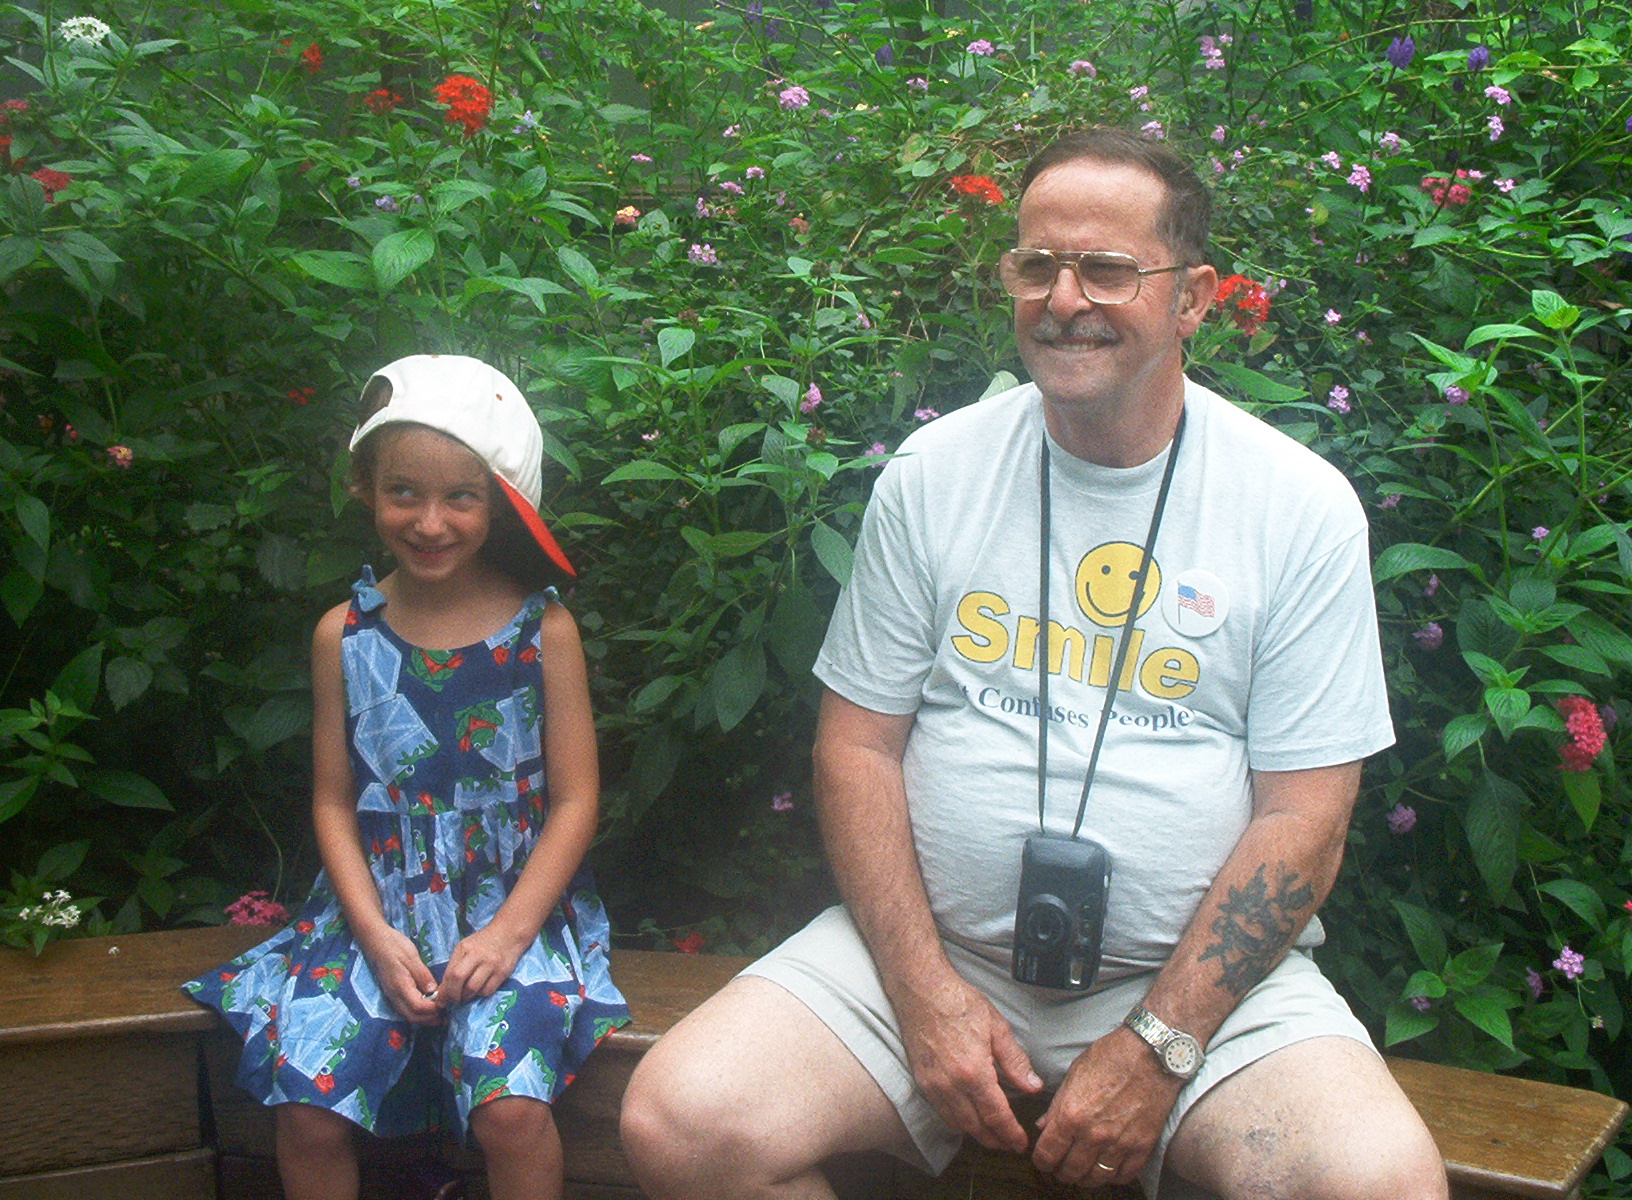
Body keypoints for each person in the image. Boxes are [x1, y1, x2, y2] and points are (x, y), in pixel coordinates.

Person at [620, 129, 1448, 1200]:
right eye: (1036, 264)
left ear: (1194, 298)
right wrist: (924, 995)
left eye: (1106, 269)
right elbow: (857, 747)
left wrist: (1161, 1043)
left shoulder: (1295, 508)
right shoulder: (935, 472)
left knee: (1380, 1187)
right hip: (934, 957)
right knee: (681, 1123)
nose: (1063, 299)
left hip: (1199, 996)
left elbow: (1307, 817)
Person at [185, 354, 629, 1200]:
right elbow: (331, 801)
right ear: (365, 487)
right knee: (307, 1107)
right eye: (403, 492)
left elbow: (577, 800)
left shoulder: (543, 631)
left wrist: (506, 937)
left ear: (500, 501)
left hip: (513, 908)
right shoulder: (343, 635)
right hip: (372, 911)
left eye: (460, 496)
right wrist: (374, 936)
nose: (430, 522)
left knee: (511, 1110)